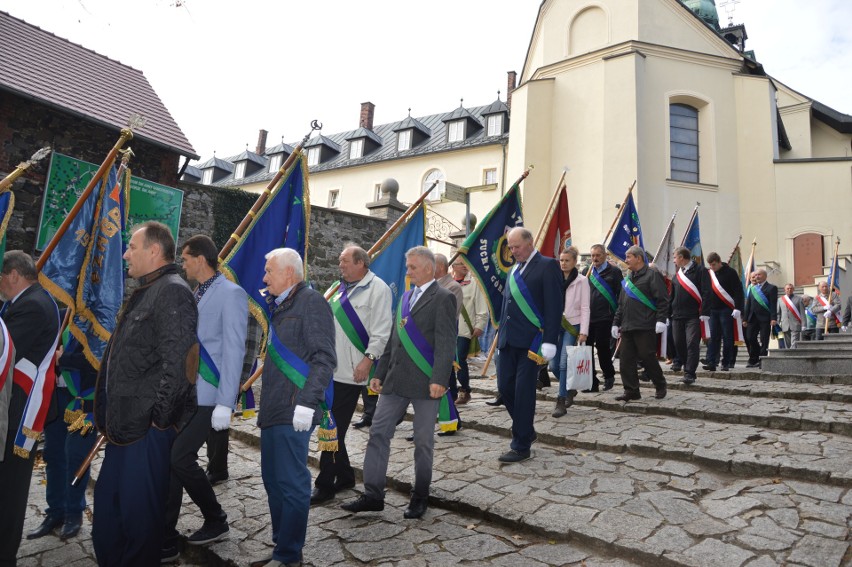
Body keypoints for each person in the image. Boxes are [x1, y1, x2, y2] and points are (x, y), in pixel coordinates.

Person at [92, 222, 199, 566]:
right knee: (109, 517)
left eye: (132, 247)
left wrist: (158, 423)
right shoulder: (147, 289)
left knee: (139, 523)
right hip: (122, 427)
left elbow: (181, 364)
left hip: (145, 432)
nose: (125, 253)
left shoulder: (172, 291)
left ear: (154, 251)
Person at [341, 246, 455, 519]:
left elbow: (446, 342)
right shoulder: (405, 296)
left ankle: (420, 496)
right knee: (378, 433)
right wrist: (379, 373)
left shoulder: (444, 298)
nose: (408, 271)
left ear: (428, 268)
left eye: (413, 267)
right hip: (395, 381)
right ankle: (372, 494)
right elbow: (395, 338)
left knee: (423, 442)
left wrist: (440, 379)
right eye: (408, 267)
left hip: (427, 382)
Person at [162, 235, 248, 560]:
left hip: (210, 394)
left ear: (200, 259)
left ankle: (216, 518)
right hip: (188, 392)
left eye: (185, 259)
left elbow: (235, 349)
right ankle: (166, 530)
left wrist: (226, 402)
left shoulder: (231, 293)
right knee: (174, 458)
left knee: (180, 457)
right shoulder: (198, 292)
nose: (182, 265)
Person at [254, 248, 335, 567]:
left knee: (291, 482)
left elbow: (324, 358)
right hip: (275, 408)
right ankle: (282, 546)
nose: (264, 277)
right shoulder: (281, 304)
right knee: (273, 479)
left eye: (269, 271)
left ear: (289, 273)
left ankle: (289, 556)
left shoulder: (311, 302)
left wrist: (306, 403)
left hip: (294, 409)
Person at [311, 245, 391, 505]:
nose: (340, 265)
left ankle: (325, 485)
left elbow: (382, 330)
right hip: (329, 370)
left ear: (361, 263)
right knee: (334, 426)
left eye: (344, 261)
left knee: (330, 427)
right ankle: (344, 476)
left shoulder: (378, 289)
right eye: (339, 261)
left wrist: (368, 361)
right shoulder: (336, 288)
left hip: (352, 373)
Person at [0, 250, 61, 565]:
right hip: (12, 406)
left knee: (9, 491)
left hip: (17, 413)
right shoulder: (24, 300)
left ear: (12, 275)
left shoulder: (33, 306)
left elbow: (5, 352)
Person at [495, 228, 562, 462]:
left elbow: (554, 307)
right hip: (508, 340)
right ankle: (527, 429)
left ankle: (521, 445)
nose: (513, 252)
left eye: (517, 247)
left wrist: (550, 341)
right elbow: (507, 306)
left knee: (524, 392)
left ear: (530, 242)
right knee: (505, 388)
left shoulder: (548, 265)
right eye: (510, 248)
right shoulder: (514, 269)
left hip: (532, 341)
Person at [27, 333, 98, 542]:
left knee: (76, 454)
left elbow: (97, 357)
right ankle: (56, 511)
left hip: (86, 403)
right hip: (56, 397)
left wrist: (63, 359)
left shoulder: (99, 316)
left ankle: (73, 513)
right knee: (53, 453)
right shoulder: (60, 316)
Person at [611, 246, 669, 402]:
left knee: (647, 357)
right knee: (626, 361)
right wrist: (616, 323)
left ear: (639, 258)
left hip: (645, 324)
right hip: (628, 325)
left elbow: (662, 300)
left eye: (629, 257)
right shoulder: (628, 279)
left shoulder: (652, 276)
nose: (626, 260)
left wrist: (661, 320)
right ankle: (631, 391)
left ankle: (660, 384)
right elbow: (621, 304)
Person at [553, 246, 589, 417]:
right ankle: (569, 387)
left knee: (563, 362)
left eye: (567, 260)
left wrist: (584, 330)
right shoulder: (554, 278)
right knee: (553, 365)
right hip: (555, 323)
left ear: (574, 262)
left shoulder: (581, 281)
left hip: (572, 324)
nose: (563, 263)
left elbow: (585, 307)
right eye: (561, 260)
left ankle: (561, 400)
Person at [451, 258, 488, 405]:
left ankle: (465, 390)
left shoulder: (474, 284)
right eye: (461, 263)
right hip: (448, 329)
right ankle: (452, 391)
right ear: (453, 266)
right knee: (448, 362)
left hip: (464, 330)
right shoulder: (448, 283)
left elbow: (481, 306)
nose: (465, 266)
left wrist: (480, 325)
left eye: (466, 263)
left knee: (460, 359)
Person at [670, 247, 708, 384]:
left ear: (681, 257)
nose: (674, 261)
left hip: (693, 315)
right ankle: (687, 366)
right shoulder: (677, 274)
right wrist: (668, 314)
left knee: (692, 343)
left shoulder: (700, 270)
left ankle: (690, 372)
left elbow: (706, 292)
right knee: (679, 343)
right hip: (677, 315)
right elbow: (672, 296)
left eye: (675, 257)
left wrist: (704, 312)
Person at [587, 244, 623, 391]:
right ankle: (591, 381)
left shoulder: (614, 272)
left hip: (605, 316)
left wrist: (618, 318)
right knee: (587, 349)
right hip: (588, 317)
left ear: (605, 255)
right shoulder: (587, 271)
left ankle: (609, 375)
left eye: (598, 255)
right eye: (593, 256)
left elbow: (620, 294)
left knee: (602, 347)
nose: (595, 258)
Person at [703, 252, 745, 372]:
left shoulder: (730, 272)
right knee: (713, 337)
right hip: (712, 309)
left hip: (727, 309)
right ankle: (711, 361)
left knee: (727, 337)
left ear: (719, 262)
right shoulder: (709, 273)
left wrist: (738, 308)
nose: (712, 267)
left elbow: (738, 291)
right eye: (710, 265)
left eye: (714, 264)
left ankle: (726, 362)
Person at [743, 268, 778, 368]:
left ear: (765, 276)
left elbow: (773, 304)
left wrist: (773, 318)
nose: (757, 277)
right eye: (756, 275)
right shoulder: (753, 288)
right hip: (752, 318)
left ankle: (762, 360)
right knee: (750, 338)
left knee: (764, 339)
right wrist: (745, 319)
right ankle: (754, 358)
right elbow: (748, 304)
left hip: (765, 319)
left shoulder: (771, 288)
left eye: (759, 275)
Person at [777, 283, 805, 349]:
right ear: (785, 290)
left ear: (793, 289)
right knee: (787, 343)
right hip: (785, 324)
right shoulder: (780, 300)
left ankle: (793, 354)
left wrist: (804, 325)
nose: (789, 290)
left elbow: (802, 313)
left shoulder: (799, 299)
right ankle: (789, 355)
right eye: (788, 288)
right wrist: (777, 324)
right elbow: (778, 313)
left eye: (791, 288)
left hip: (796, 323)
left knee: (794, 343)